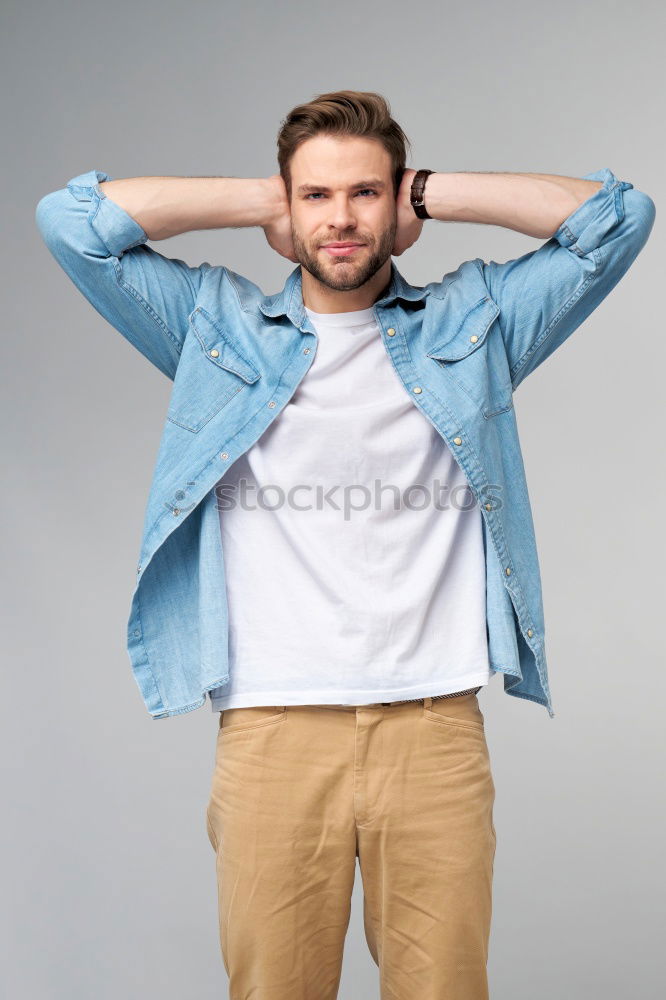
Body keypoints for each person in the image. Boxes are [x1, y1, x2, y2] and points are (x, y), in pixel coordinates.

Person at [35, 89, 655, 1000]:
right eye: (315, 197)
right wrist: (266, 200)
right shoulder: (217, 329)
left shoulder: (471, 326)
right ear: (288, 211)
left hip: (433, 727)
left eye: (365, 195)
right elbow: (72, 223)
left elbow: (618, 220)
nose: (340, 220)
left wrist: (431, 190)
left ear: (398, 206)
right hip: (274, 727)